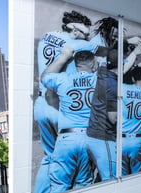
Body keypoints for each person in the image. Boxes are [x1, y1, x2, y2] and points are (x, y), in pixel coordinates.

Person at [33, 10, 92, 193]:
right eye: (85, 31)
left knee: (49, 157)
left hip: (41, 104)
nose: (87, 36)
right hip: (60, 108)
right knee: (71, 162)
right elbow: (102, 48)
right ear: (75, 29)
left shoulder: (45, 37)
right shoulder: (78, 43)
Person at [41, 50, 99, 192]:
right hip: (89, 138)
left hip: (67, 138)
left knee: (59, 186)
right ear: (91, 63)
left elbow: (44, 77)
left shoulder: (63, 79)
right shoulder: (98, 79)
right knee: (84, 184)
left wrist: (63, 57)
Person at [85, 48, 118, 182]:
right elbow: (113, 118)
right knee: (110, 181)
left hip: (91, 134)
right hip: (103, 138)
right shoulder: (113, 85)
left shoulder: (102, 74)